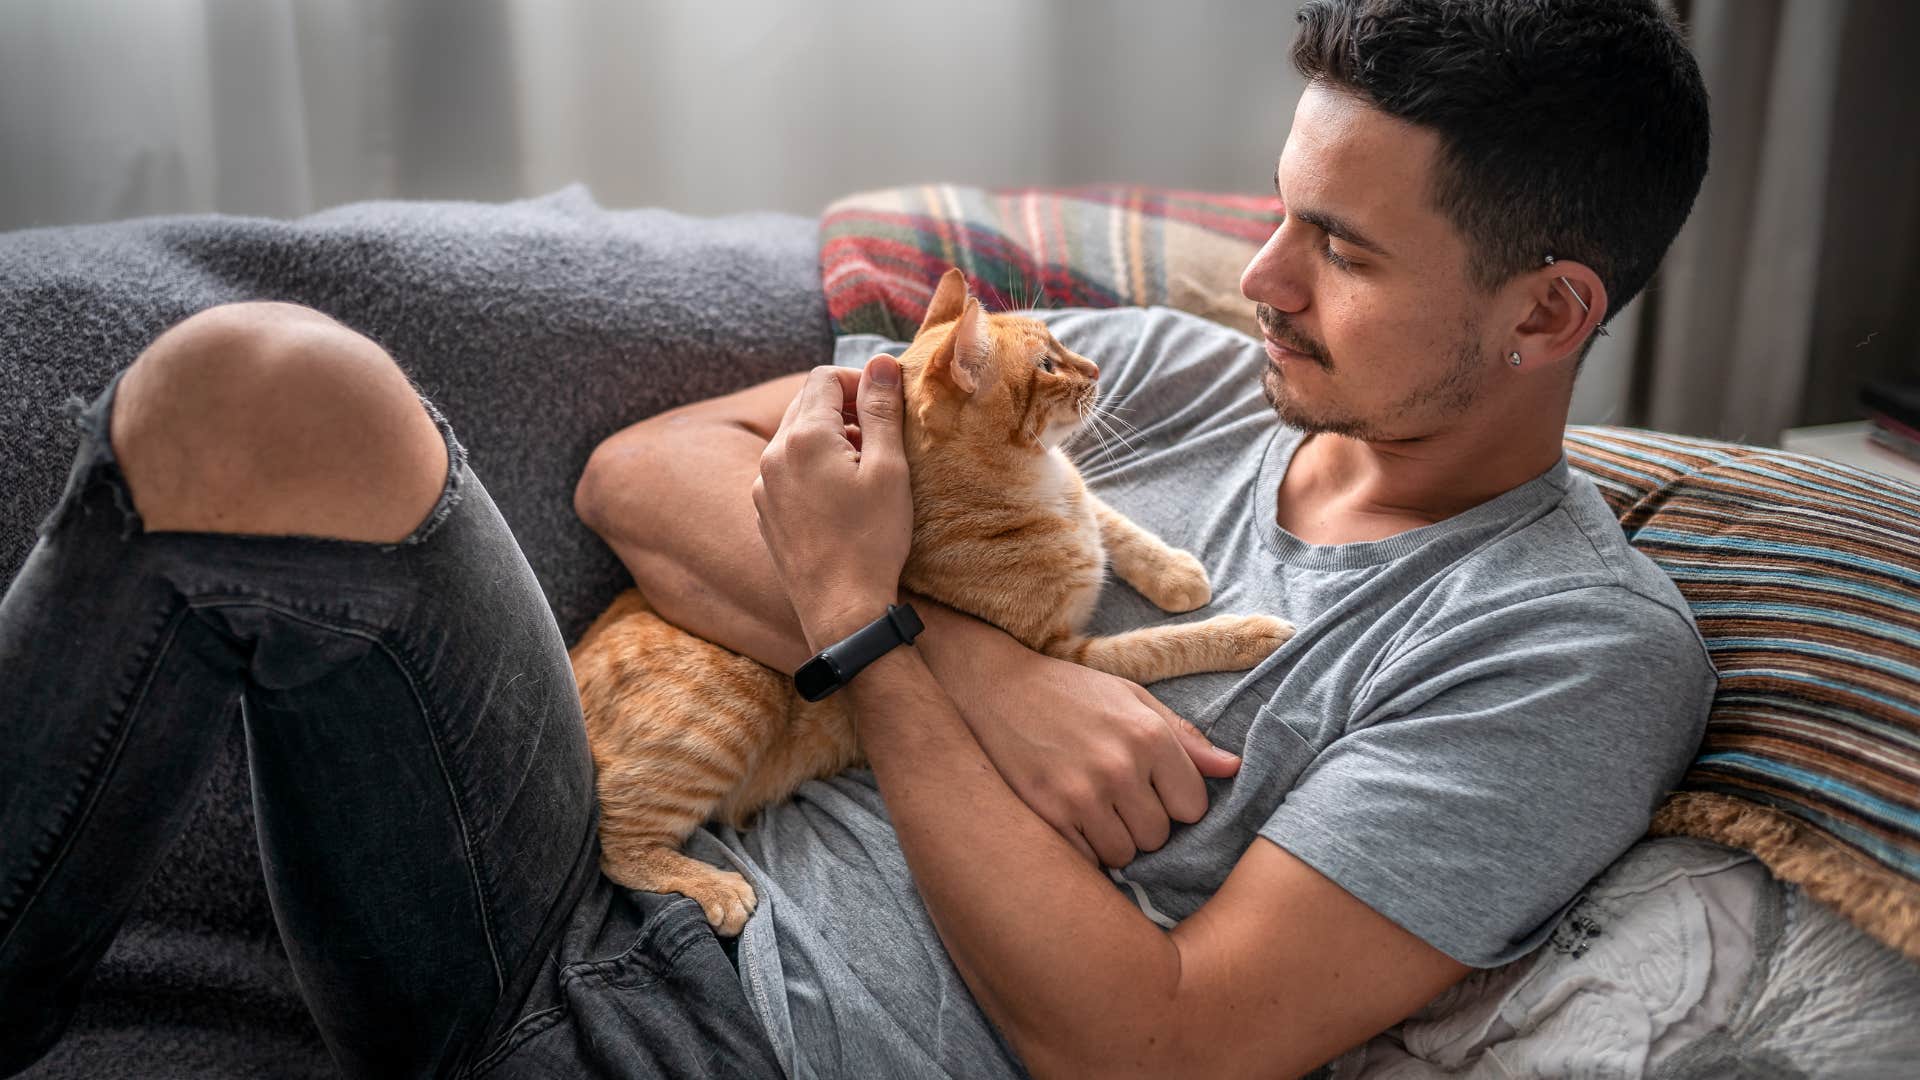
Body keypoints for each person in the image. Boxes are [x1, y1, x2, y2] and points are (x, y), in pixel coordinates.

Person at [0, 0, 1715, 1076]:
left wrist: (877, 646)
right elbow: (651, 474)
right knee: (256, 382)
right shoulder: (1167, 373)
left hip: (712, 1042)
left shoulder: (1563, 649)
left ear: (1546, 311)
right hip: (547, 872)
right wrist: (979, 670)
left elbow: (1159, 1047)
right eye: (1279, 208)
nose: (1258, 275)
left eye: (1339, 250)